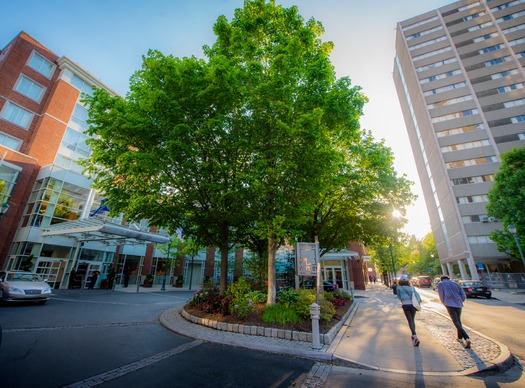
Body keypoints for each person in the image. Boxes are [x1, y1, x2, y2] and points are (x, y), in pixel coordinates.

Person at [437, 274, 471, 348]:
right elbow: (463, 295)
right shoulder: (456, 284)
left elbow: (441, 294)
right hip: (458, 304)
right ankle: (459, 337)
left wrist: (444, 302)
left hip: (449, 304)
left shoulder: (441, 284)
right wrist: (460, 300)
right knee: (459, 320)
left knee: (455, 321)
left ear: (442, 279)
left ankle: (466, 338)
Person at [396, 274, 422, 346]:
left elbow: (399, 297)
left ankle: (415, 336)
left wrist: (403, 300)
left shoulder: (399, 288)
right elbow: (417, 295)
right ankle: (414, 334)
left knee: (410, 321)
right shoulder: (412, 287)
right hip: (413, 305)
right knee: (412, 320)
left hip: (405, 305)